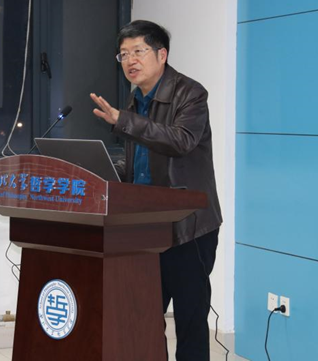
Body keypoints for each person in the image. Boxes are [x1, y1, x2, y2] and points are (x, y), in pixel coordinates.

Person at [90, 20, 222, 361]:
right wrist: (97, 170)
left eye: (138, 51)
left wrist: (123, 120)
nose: (129, 61)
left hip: (188, 226)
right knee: (143, 317)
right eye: (123, 54)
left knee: (190, 320)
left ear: (161, 54)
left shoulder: (190, 94)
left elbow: (181, 141)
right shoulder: (136, 100)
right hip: (144, 227)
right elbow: (142, 163)